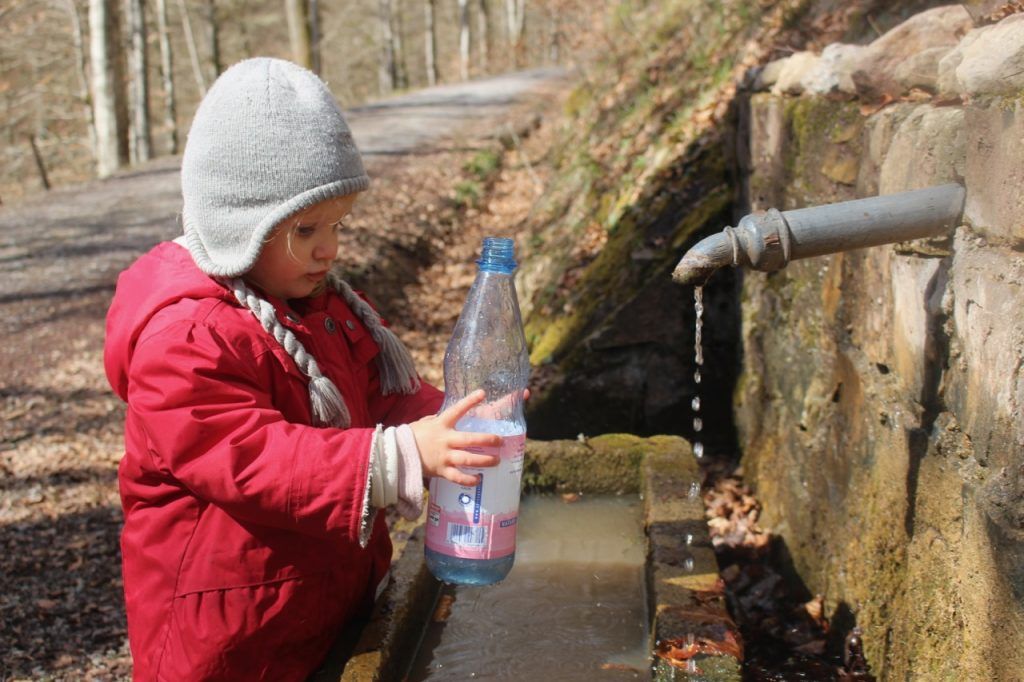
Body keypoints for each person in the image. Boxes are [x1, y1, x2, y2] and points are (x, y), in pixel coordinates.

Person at [103, 57, 502, 681]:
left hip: (318, 596)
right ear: (239, 223)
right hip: (226, 633)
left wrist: (454, 425)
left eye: (337, 224)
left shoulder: (324, 304)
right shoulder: (185, 336)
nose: (330, 248)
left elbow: (378, 395)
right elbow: (250, 458)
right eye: (306, 229)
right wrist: (396, 457)